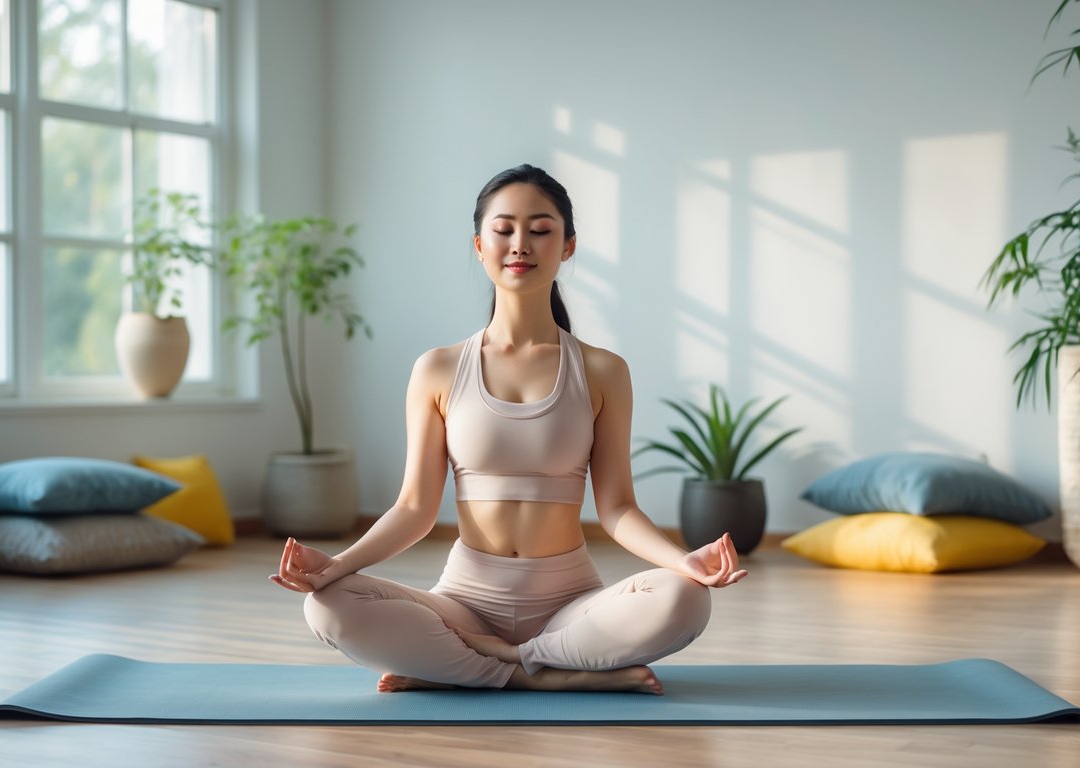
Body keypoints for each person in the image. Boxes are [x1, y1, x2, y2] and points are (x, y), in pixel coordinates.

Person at [272, 164, 748, 695]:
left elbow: (616, 508)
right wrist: (335, 567)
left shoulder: (603, 370)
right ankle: (546, 675)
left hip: (570, 605)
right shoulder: (437, 369)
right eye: (504, 230)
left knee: (686, 599)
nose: (520, 244)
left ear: (567, 246)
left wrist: (683, 562)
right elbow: (414, 509)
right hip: (464, 605)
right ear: (480, 245)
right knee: (329, 606)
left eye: (541, 230)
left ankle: (487, 664)